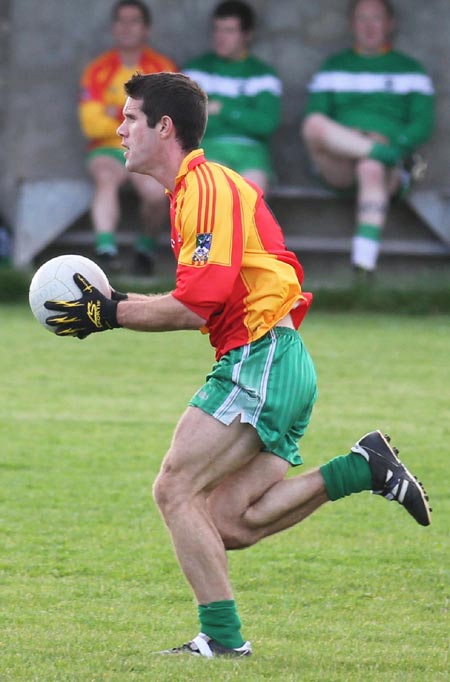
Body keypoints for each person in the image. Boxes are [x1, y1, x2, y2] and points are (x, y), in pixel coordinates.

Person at [45, 72, 431, 658]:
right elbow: (206, 300)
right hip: (278, 361)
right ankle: (362, 467)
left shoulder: (205, 188)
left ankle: (223, 641)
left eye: (129, 118)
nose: (118, 128)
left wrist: (110, 310)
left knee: (175, 488)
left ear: (163, 127)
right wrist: (113, 308)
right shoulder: (193, 191)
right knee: (225, 524)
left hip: (262, 355)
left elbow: (197, 302)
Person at [301, 0, 435, 276]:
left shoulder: (409, 69)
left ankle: (363, 264)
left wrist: (392, 140)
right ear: (352, 24)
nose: (369, 26)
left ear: (390, 24)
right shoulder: (334, 67)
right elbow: (316, 116)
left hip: (385, 172)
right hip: (339, 163)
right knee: (313, 124)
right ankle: (378, 152)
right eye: (362, 19)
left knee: (369, 165)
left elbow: (422, 124)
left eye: (376, 18)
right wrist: (364, 141)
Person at [78, 0, 177, 275]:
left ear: (146, 28)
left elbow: (167, 121)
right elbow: (91, 125)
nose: (126, 27)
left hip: (148, 149)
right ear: (112, 27)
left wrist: (114, 112)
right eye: (121, 20)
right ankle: (105, 250)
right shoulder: (97, 69)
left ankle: (145, 251)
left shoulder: (162, 68)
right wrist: (140, 118)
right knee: (105, 177)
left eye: (134, 21)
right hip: (107, 148)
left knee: (157, 194)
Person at [183, 0, 282, 194]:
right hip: (208, 148)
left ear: (247, 35)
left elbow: (266, 124)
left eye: (229, 31)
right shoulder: (195, 71)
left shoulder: (263, 74)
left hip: (251, 152)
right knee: (213, 193)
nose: (220, 37)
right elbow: (187, 121)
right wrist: (244, 117)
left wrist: (223, 109)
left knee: (252, 197)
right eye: (217, 29)